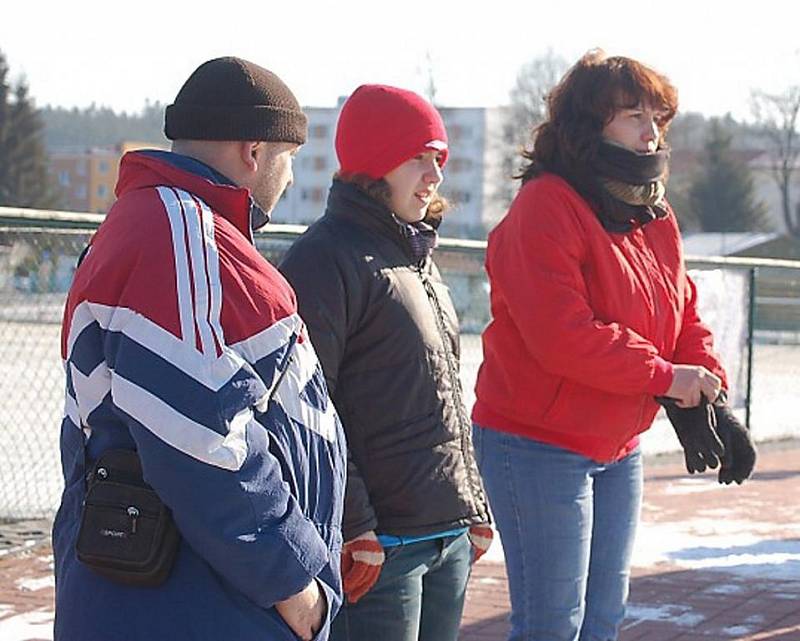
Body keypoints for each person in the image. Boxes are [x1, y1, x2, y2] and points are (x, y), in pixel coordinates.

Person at [53, 57, 346, 641]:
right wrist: (295, 583)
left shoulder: (162, 222)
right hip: (196, 600)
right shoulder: (178, 230)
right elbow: (200, 439)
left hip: (185, 592)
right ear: (254, 151)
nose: (288, 181)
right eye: (288, 159)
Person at [472, 50, 756, 641]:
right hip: (537, 444)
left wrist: (708, 388)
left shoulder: (652, 210)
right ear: (589, 125)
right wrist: (663, 378)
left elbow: (681, 312)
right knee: (553, 625)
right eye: (632, 115)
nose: (651, 130)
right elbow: (563, 336)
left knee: (602, 620)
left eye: (658, 117)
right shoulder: (545, 207)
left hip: (617, 445)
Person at [279, 84, 492, 641]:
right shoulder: (326, 259)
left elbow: (443, 393)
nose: (434, 175)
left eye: (439, 159)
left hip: (445, 536)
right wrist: (355, 527)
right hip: (383, 548)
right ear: (375, 160)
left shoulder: (417, 260)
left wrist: (472, 507)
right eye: (419, 157)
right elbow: (308, 406)